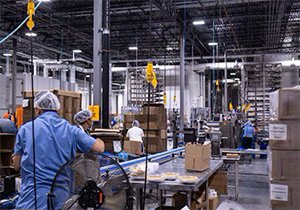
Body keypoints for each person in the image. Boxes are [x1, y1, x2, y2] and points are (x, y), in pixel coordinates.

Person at [12, 91, 105, 209]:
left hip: (32, 198)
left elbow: (16, 165)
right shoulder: (71, 130)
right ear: (57, 109)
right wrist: (99, 140)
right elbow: (99, 148)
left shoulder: (26, 129)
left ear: (38, 110)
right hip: (61, 197)